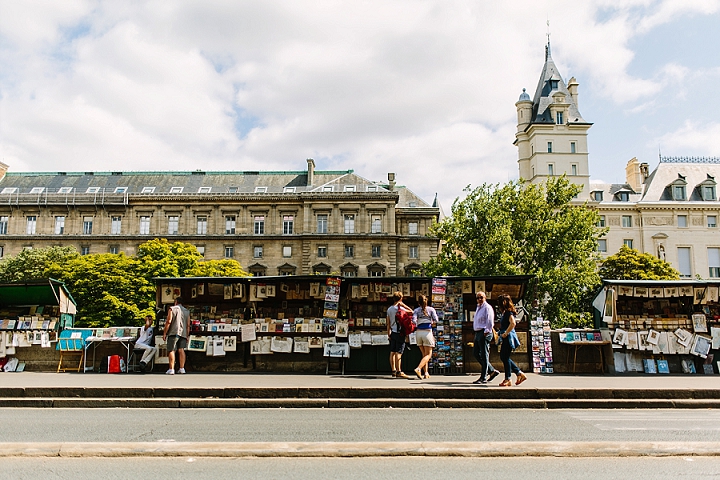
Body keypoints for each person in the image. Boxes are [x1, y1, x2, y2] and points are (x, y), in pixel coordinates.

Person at [497, 294, 527, 386]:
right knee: (504, 357)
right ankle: (519, 373)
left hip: (508, 338)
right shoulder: (506, 312)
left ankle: (508, 378)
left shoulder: (508, 313)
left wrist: (506, 333)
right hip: (507, 337)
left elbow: (513, 323)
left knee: (504, 357)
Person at [472, 291, 499, 384]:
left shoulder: (487, 307)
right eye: (478, 298)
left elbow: (490, 320)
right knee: (475, 353)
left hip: (484, 332)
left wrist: (487, 331)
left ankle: (483, 377)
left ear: (485, 298)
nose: (479, 299)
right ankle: (491, 370)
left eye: (481, 297)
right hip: (478, 332)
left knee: (484, 355)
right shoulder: (478, 307)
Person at [386, 291, 412, 379]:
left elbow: (388, 323)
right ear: (401, 298)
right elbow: (411, 312)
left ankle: (393, 370)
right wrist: (404, 305)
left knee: (392, 352)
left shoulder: (389, 309)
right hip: (400, 333)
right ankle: (399, 371)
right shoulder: (401, 309)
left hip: (393, 332)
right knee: (399, 352)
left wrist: (388, 333)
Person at [412, 295, 438, 379]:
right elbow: (436, 320)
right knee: (428, 355)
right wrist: (431, 322)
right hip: (427, 332)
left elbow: (413, 320)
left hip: (418, 332)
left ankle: (426, 373)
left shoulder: (416, 310)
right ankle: (418, 368)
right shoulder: (431, 309)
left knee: (424, 354)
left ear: (418, 302)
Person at [163, 296, 190, 375]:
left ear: (176, 302)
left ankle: (171, 369)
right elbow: (188, 325)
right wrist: (187, 335)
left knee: (172, 350)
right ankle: (182, 368)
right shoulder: (187, 311)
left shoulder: (172, 309)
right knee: (181, 350)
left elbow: (169, 321)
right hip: (183, 333)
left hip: (173, 332)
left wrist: (165, 332)